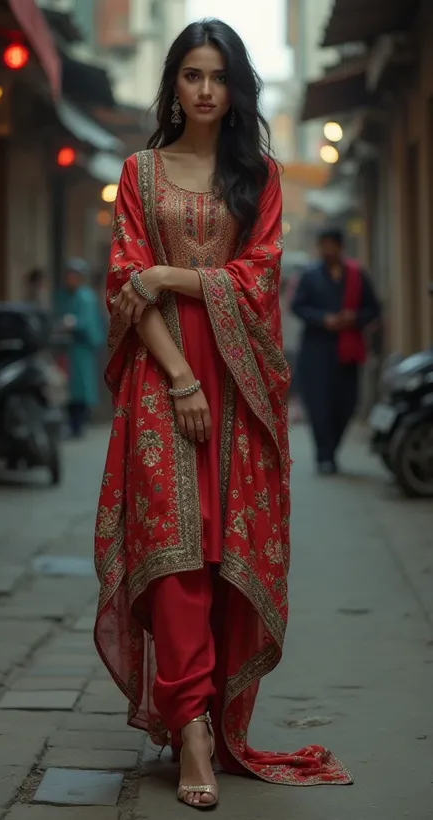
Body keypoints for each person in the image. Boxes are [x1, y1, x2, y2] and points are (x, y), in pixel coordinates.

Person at [94, 19, 352, 810]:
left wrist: (174, 273)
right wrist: (178, 378)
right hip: (163, 378)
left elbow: (262, 275)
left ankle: (206, 712)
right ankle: (193, 732)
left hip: (240, 382)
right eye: (191, 75)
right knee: (170, 549)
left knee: (216, 550)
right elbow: (126, 284)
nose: (205, 90)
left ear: (236, 89)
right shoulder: (139, 173)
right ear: (172, 84)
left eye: (218, 77)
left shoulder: (258, 176)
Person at [291, 228, 381, 474]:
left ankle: (332, 451)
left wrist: (355, 317)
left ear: (341, 247)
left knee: (346, 404)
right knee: (319, 406)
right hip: (316, 351)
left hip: (347, 351)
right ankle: (324, 456)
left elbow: (373, 308)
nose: (327, 250)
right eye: (324, 245)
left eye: (332, 245)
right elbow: (297, 307)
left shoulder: (356, 275)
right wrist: (323, 319)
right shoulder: (309, 276)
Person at [56, 258, 105, 438]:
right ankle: (71, 422)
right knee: (68, 387)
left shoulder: (85, 297)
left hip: (82, 347)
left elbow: (88, 322)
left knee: (81, 386)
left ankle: (79, 423)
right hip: (68, 348)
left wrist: (74, 323)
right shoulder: (64, 295)